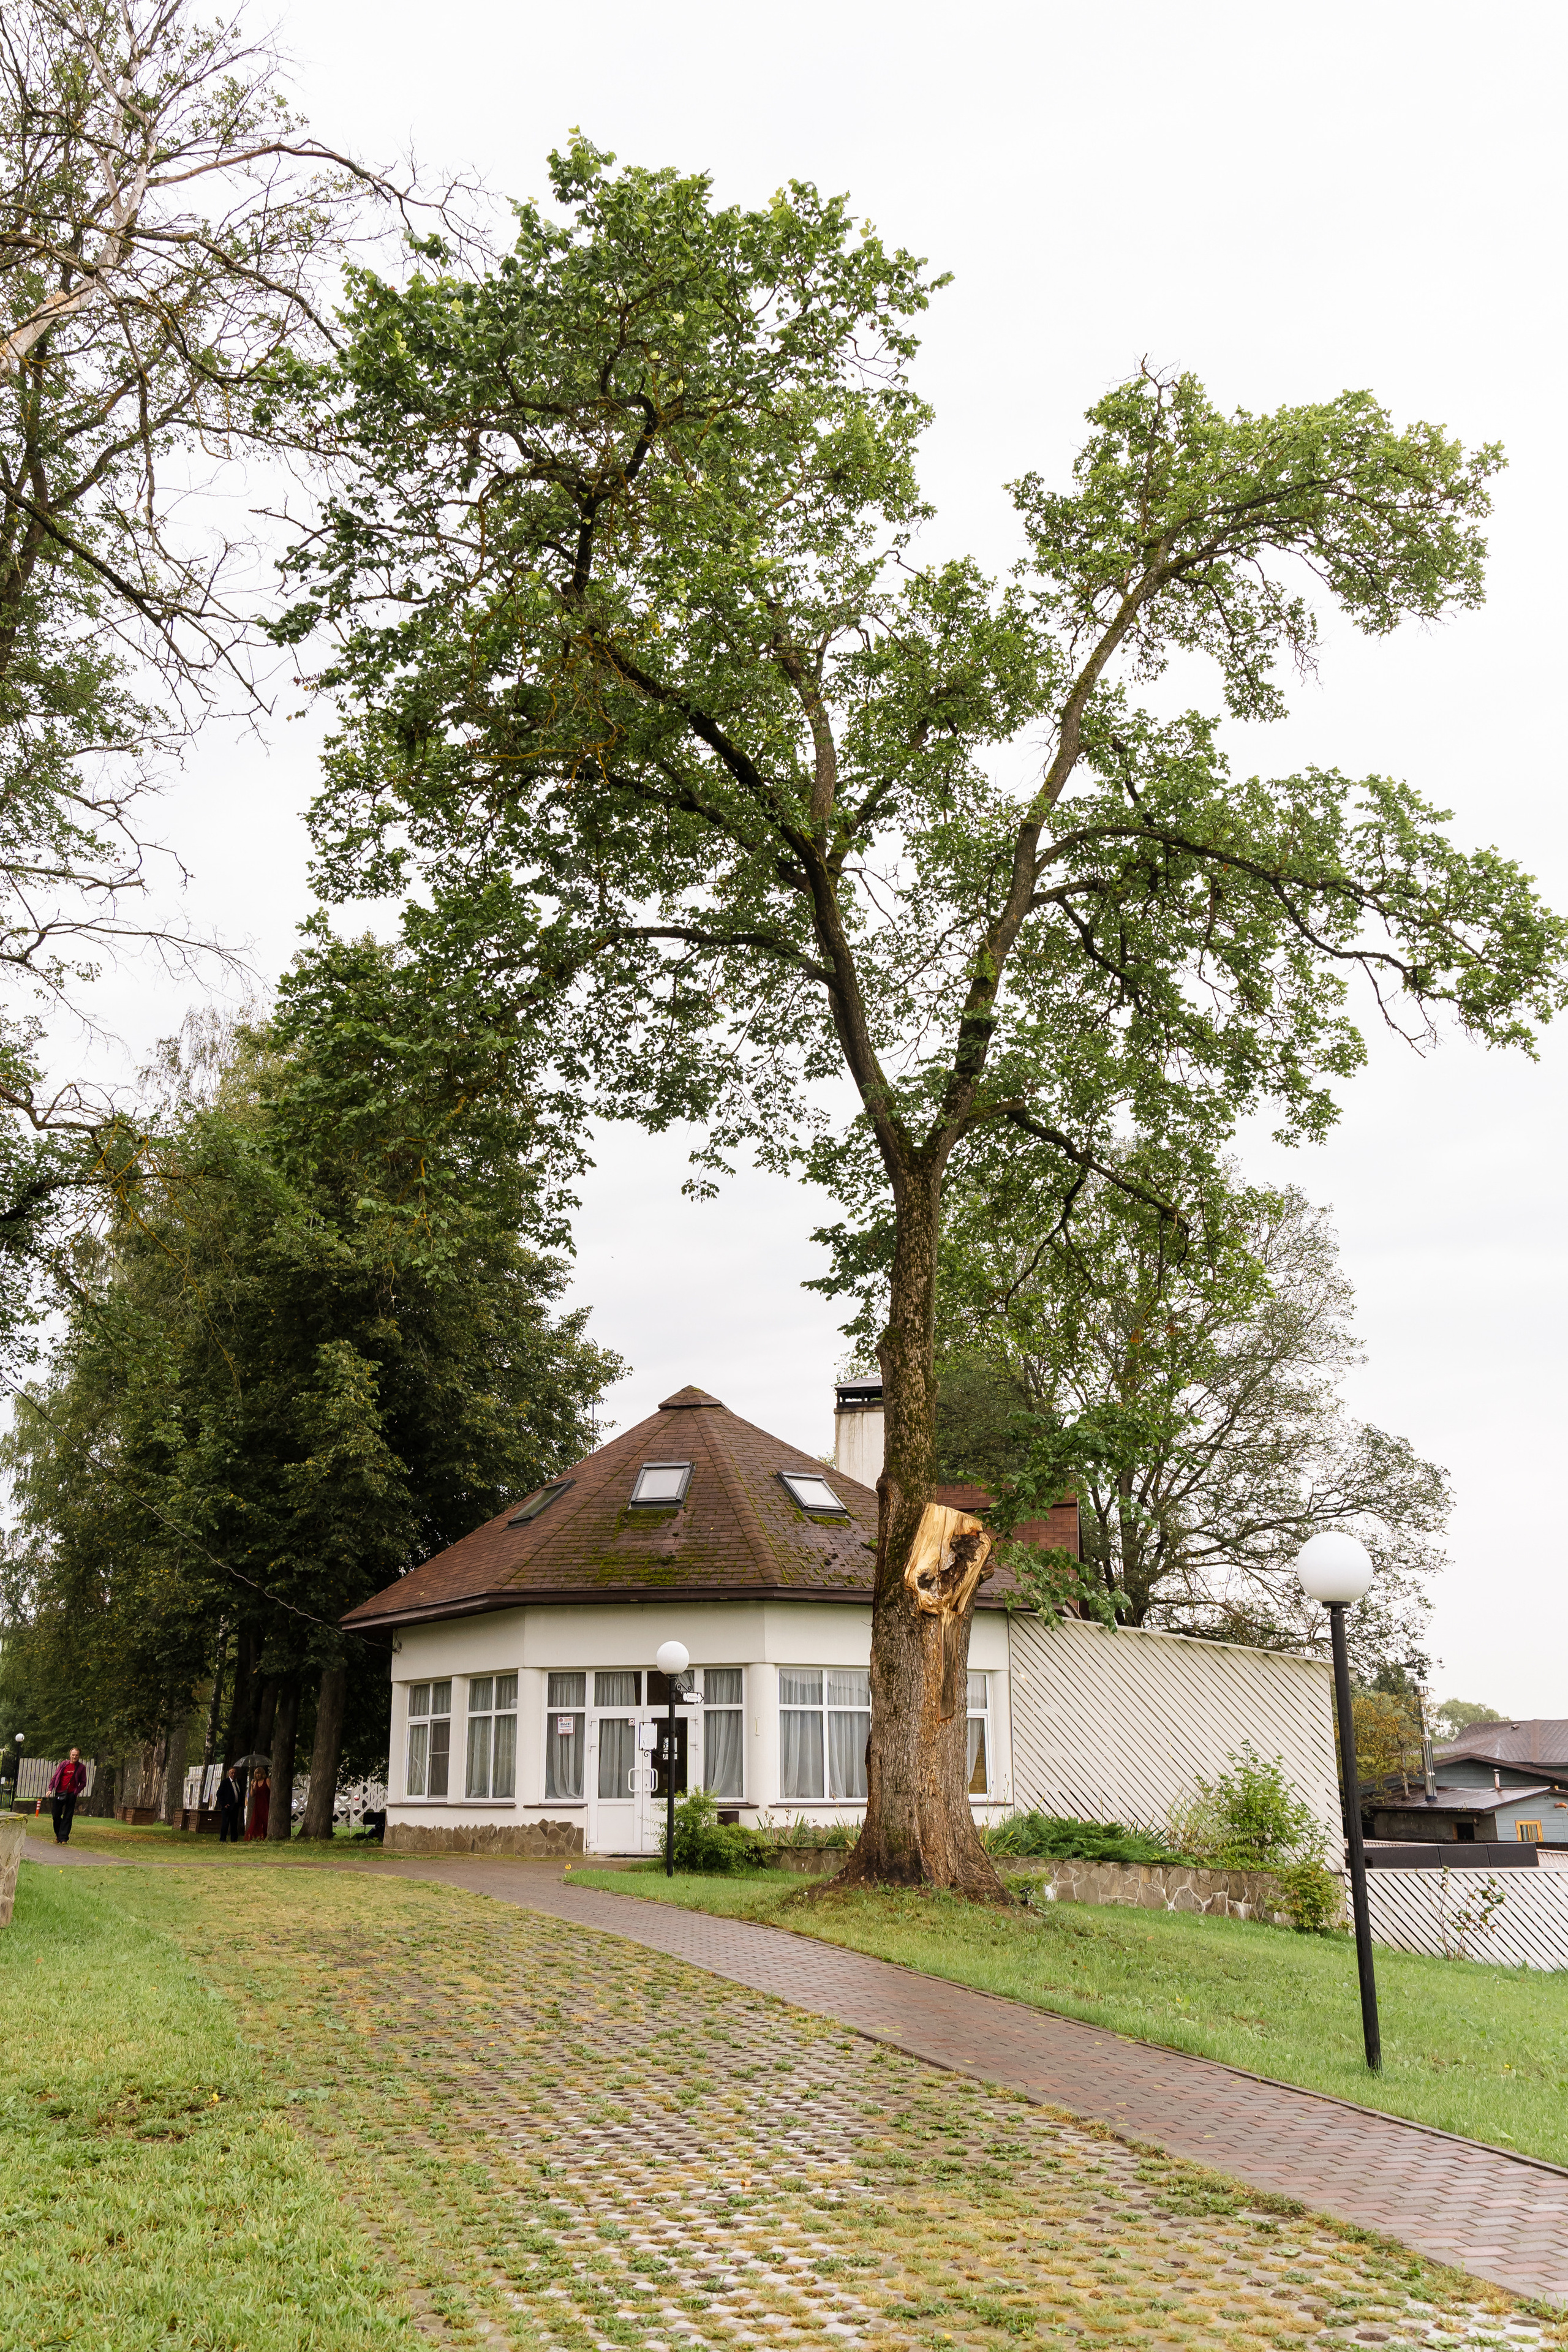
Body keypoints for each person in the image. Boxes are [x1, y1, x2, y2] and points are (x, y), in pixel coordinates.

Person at [47, 1749, 88, 1844]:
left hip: (71, 1794)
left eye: (77, 1755)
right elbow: (56, 1776)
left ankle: (64, 1838)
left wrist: (76, 1792)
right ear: (70, 1755)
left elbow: (83, 1782)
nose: (75, 1757)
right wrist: (50, 1788)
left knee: (68, 1816)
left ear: (79, 1756)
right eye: (73, 1755)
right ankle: (58, 1835)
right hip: (60, 1792)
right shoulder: (63, 1764)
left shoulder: (81, 1767)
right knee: (56, 1815)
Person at [216, 1765, 243, 1844]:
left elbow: (240, 1793)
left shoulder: (238, 1782)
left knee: (234, 1824)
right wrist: (224, 1804)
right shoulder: (225, 1783)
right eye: (231, 1773)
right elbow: (219, 1794)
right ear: (229, 1774)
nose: (233, 1775)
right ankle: (223, 1839)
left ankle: (234, 1839)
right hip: (227, 1807)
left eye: (234, 1773)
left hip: (236, 1806)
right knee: (225, 1823)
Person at [245, 1769, 270, 1842]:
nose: (258, 1775)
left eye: (259, 1773)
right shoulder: (256, 1782)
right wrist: (252, 1786)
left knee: (266, 1819)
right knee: (257, 1820)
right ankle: (257, 1836)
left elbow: (272, 1791)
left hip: (266, 1802)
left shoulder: (267, 1780)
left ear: (262, 1774)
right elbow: (252, 1795)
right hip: (258, 1804)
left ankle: (266, 1835)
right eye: (256, 1774)